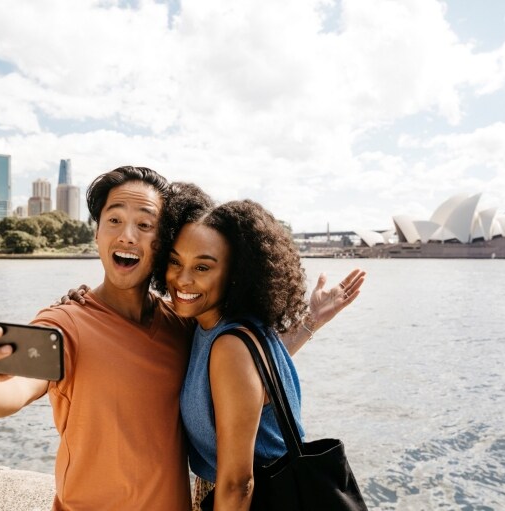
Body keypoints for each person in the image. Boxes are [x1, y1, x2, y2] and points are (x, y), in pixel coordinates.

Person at [0, 166, 364, 511]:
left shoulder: (182, 325)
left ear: (163, 242)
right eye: (114, 220)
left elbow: (241, 381)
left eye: (146, 224)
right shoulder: (66, 324)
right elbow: (13, 388)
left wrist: (309, 323)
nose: (127, 235)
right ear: (97, 234)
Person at [152, 184, 363, 509]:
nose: (182, 279)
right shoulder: (222, 327)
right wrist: (311, 322)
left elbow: (238, 483)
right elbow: (254, 383)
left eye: (203, 267)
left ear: (235, 274)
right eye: (175, 261)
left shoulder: (230, 345)